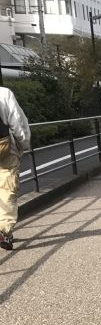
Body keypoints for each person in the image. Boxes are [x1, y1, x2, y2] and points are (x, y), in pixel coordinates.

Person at [0, 86, 30, 251]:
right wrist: (23, 144)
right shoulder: (3, 93)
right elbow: (18, 122)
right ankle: (4, 231)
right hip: (5, 149)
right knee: (7, 189)